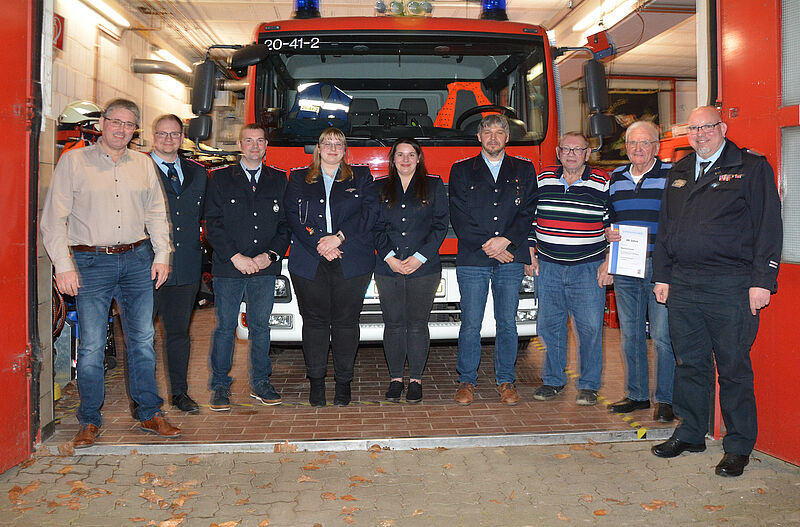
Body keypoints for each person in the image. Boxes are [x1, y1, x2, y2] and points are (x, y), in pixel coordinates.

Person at [651, 106, 782, 477]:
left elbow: (769, 226)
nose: (700, 134)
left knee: (733, 366)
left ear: (722, 127)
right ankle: (691, 431)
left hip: (731, 284)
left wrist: (762, 281)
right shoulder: (680, 170)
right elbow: (666, 226)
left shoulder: (750, 167)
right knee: (689, 362)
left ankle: (738, 445)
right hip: (684, 283)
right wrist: (663, 276)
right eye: (694, 129)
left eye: (707, 127)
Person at [41, 98, 179, 448]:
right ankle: (89, 420)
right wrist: (63, 266)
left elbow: (156, 213)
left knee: (143, 340)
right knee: (90, 346)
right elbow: (54, 219)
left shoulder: (143, 164)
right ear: (102, 123)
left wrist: (162, 255)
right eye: (115, 122)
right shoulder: (74, 162)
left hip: (137, 260)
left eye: (129, 124)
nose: (121, 129)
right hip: (90, 263)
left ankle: (149, 413)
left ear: (135, 130)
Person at [283, 128, 379, 407]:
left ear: (345, 150)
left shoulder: (361, 176)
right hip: (309, 259)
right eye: (327, 143)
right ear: (318, 148)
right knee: (314, 322)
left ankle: (343, 383)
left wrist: (338, 238)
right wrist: (320, 243)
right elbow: (293, 216)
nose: (333, 148)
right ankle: (316, 383)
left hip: (352, 258)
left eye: (339, 144)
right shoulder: (298, 178)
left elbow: (370, 213)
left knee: (346, 322)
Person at [448, 114, 538, 406]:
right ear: (479, 137)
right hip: (474, 256)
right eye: (488, 132)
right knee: (471, 323)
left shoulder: (524, 169)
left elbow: (528, 211)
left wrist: (505, 240)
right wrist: (490, 245)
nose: (493, 137)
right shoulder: (461, 170)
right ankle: (466, 381)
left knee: (507, 323)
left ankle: (506, 380)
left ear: (507, 138)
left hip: (511, 255)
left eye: (499, 132)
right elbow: (459, 215)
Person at [204, 123, 290, 411]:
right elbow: (212, 223)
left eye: (260, 141)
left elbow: (285, 225)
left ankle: (261, 383)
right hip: (229, 267)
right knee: (225, 327)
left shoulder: (279, 179)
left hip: (264, 267)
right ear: (240, 145)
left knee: (261, 328)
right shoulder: (219, 179)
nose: (255, 146)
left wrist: (271, 255)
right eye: (249, 141)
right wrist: (235, 256)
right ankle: (219, 385)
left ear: (266, 146)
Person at [530, 131, 611, 406]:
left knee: (589, 329)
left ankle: (588, 385)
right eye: (566, 149)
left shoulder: (602, 182)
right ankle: (553, 380)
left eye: (578, 149)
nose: (571, 154)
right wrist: (531, 254)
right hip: (549, 267)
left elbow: (612, 225)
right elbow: (531, 220)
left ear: (588, 153)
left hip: (588, 269)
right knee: (550, 327)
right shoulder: (543, 179)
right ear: (558, 152)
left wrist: (608, 261)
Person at [605, 120, 675, 422]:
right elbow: (608, 216)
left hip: (660, 267)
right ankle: (636, 395)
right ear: (626, 147)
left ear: (656, 147)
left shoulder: (672, 175)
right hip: (626, 266)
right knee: (630, 334)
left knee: (662, 336)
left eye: (645, 142)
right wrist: (607, 233)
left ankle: (666, 400)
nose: (638, 148)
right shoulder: (616, 178)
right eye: (632, 143)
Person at [374, 138, 449, 403]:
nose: (405, 160)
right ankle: (396, 379)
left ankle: (416, 380)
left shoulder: (434, 185)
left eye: (410, 155)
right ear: (392, 159)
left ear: (419, 158)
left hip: (424, 268)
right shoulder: (379, 187)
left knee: (417, 325)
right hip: (388, 268)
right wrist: (390, 258)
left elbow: (440, 225)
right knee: (394, 324)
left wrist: (419, 257)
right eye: (400, 155)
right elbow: (375, 226)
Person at [149, 114, 207, 414]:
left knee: (178, 334)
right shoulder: (138, 169)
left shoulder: (198, 172)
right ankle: (144, 398)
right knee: (142, 337)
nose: (168, 139)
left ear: (182, 137)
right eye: (162, 134)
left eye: (174, 134)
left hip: (186, 267)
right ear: (153, 136)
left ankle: (180, 393)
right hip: (146, 267)